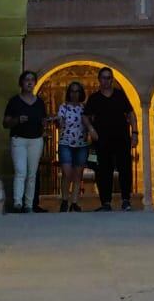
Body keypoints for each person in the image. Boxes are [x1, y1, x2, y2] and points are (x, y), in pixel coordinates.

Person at [84, 67, 137, 211]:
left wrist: (135, 133)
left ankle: (126, 200)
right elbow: (85, 116)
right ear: (99, 79)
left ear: (112, 80)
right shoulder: (94, 98)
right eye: (104, 77)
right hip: (102, 140)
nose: (106, 81)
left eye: (109, 78)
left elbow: (131, 114)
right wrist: (91, 129)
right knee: (103, 171)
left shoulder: (120, 95)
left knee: (125, 169)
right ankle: (105, 202)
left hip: (121, 138)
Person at [3, 70, 48, 214]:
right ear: (21, 83)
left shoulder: (40, 102)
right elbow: (6, 123)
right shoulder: (14, 101)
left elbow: (43, 120)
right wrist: (17, 120)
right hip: (19, 140)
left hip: (36, 140)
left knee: (32, 173)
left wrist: (45, 123)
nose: (29, 82)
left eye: (32, 80)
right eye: (26, 79)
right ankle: (17, 202)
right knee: (21, 171)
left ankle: (29, 204)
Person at [53, 80, 92, 212]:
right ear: (68, 93)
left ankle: (74, 202)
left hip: (81, 144)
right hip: (66, 143)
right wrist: (59, 122)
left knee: (78, 174)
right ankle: (65, 199)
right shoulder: (63, 107)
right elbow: (59, 123)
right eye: (72, 91)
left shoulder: (84, 108)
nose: (74, 94)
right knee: (67, 173)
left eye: (77, 91)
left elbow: (88, 122)